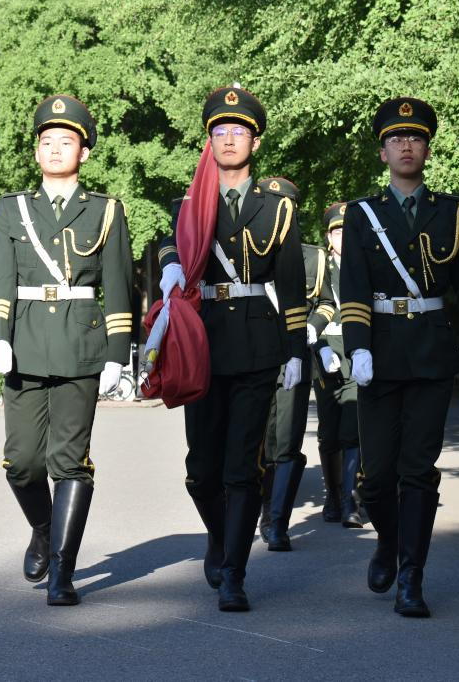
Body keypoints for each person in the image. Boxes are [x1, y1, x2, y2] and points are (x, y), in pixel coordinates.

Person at [340, 97, 459, 618]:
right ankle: (387, 542)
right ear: (383, 152)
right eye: (396, 139)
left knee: (418, 468)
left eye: (416, 138)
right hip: (379, 352)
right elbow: (354, 287)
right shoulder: (362, 214)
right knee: (377, 476)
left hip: (431, 352)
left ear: (427, 148)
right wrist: (358, 346)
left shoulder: (453, 212)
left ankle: (412, 575)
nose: (406, 145)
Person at [157, 87, 307, 611]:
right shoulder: (188, 205)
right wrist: (169, 262)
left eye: (238, 131)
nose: (228, 139)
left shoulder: (278, 207)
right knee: (202, 470)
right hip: (201, 345)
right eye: (219, 131)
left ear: (255, 141)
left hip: (257, 344)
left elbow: (290, 286)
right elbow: (169, 242)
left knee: (243, 466)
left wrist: (294, 353)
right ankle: (221, 537)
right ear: (208, 141)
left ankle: (235, 574)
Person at [0, 95, 133, 606]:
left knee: (69, 461)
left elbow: (118, 285)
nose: (54, 149)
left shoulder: (107, 211)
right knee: (22, 461)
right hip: (23, 343)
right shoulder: (12, 209)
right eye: (46, 141)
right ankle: (43, 530)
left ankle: (63, 573)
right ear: (36, 150)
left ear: (84, 152)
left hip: (81, 344)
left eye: (66, 141)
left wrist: (118, 351)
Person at [258, 177, 335, 551]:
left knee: (286, 440)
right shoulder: (245, 250)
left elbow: (327, 302)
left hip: (292, 356)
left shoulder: (313, 257)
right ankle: (257, 505)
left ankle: (276, 521)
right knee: (254, 439)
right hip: (252, 355)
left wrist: (311, 327)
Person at [310, 202, 365, 528]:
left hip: (357, 352)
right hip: (326, 352)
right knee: (329, 432)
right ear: (328, 235)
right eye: (336, 231)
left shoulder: (366, 265)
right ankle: (332, 495)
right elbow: (308, 311)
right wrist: (319, 347)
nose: (342, 236)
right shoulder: (320, 267)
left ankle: (351, 501)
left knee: (352, 431)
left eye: (347, 230)